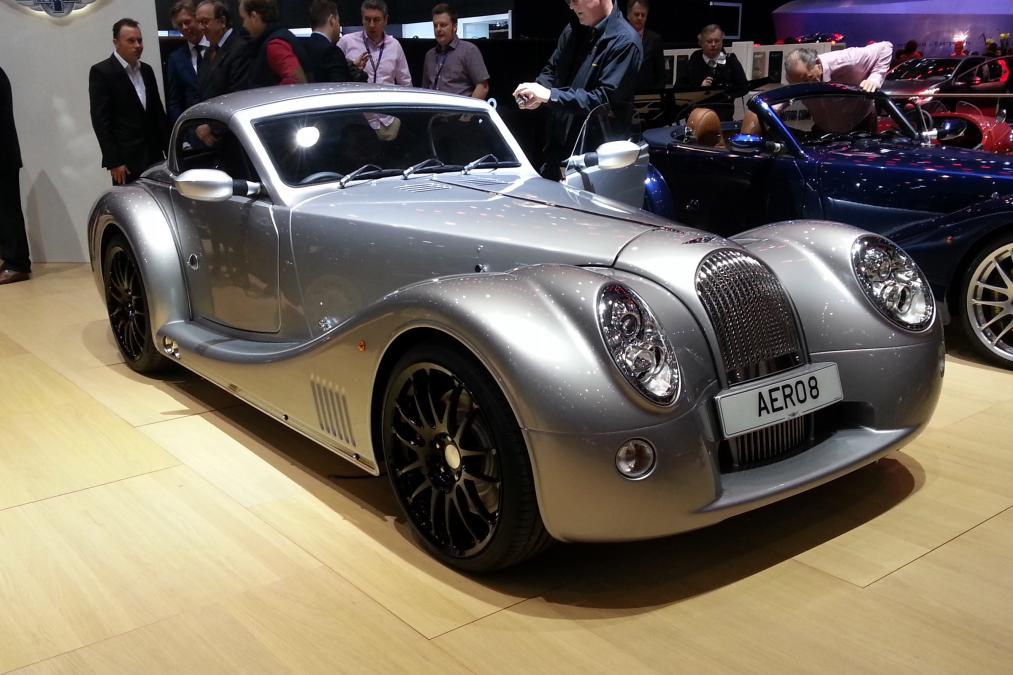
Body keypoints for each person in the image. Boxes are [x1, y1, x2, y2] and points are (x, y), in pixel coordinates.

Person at [513, 0, 642, 180]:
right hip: (555, 154)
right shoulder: (572, 30)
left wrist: (550, 95)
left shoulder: (624, 42)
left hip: (595, 165)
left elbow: (603, 101)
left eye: (575, 0)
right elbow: (552, 70)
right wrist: (537, 92)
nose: (571, 6)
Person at [88, 19, 168, 186]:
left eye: (140, 40)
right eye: (131, 41)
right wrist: (114, 161)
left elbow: (158, 113)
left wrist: (168, 151)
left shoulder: (147, 70)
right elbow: (101, 122)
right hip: (126, 162)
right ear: (116, 43)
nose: (137, 45)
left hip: (155, 157)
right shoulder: (102, 72)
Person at [337, 0, 412, 140]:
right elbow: (336, 80)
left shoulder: (395, 45)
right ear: (362, 19)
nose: (371, 24)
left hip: (389, 120)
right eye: (367, 19)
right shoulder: (346, 42)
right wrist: (353, 68)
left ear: (386, 20)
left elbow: (406, 84)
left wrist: (402, 116)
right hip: (358, 119)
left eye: (376, 20)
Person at [0, 65, 30, 284]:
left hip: (2, 157)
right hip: (4, 155)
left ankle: (16, 264)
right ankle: (10, 260)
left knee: (7, 212)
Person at [678, 24, 746, 120]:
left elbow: (744, 86)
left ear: (722, 42)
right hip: (697, 118)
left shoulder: (730, 61)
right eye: (709, 41)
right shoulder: (692, 63)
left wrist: (726, 94)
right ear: (701, 43)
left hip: (724, 118)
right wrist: (699, 89)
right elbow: (679, 89)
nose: (713, 44)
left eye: (717, 41)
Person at [421, 3, 489, 99]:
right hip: (432, 108)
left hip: (459, 109)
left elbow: (483, 87)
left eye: (443, 25)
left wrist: (467, 109)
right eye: (435, 25)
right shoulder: (429, 55)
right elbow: (425, 88)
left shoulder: (469, 50)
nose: (438, 29)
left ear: (454, 27)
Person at [239, 0, 310, 88]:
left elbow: (296, 80)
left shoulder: (275, 45)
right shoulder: (278, 36)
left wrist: (269, 94)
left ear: (254, 17)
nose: (244, 25)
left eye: (244, 18)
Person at [785, 41, 893, 92]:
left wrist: (874, 79)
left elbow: (885, 47)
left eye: (808, 78)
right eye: (800, 84)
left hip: (859, 122)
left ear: (817, 63)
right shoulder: (796, 78)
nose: (805, 86)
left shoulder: (848, 59)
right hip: (824, 125)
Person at [195, 0, 249, 101]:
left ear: (222, 22)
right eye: (198, 22)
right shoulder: (209, 51)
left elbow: (238, 94)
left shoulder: (240, 48)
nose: (200, 27)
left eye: (205, 22)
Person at [165, 0, 208, 127]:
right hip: (193, 130)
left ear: (197, 19)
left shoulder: (217, 48)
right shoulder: (175, 59)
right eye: (180, 25)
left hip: (222, 125)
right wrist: (184, 132)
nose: (184, 27)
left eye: (187, 22)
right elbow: (175, 102)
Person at [303, 0, 353, 83]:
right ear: (332, 20)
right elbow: (340, 87)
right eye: (338, 21)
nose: (339, 26)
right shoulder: (332, 52)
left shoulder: (302, 48)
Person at [626, 0, 665, 91]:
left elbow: (661, 76)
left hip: (647, 95)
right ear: (628, 15)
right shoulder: (618, 38)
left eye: (643, 15)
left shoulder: (655, 40)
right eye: (636, 14)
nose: (640, 18)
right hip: (624, 96)